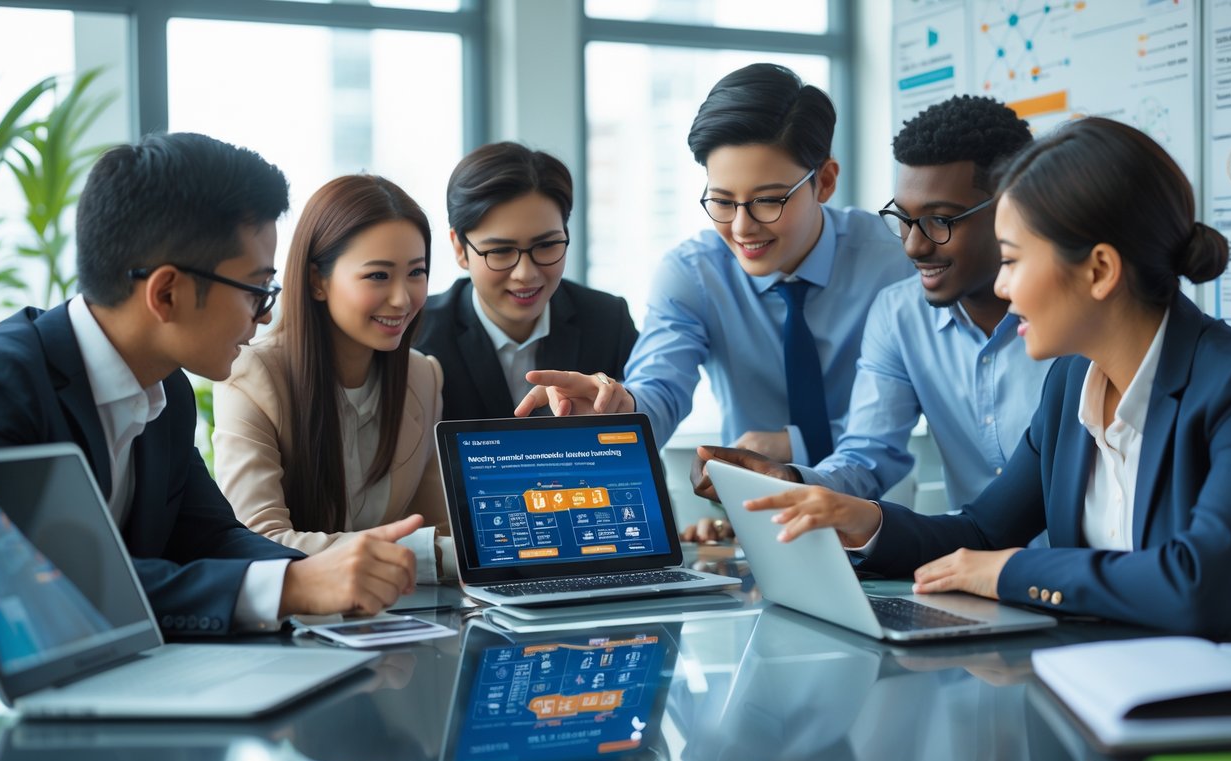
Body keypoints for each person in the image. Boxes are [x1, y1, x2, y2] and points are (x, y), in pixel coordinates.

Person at [740, 117, 1231, 634]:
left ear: (1099, 270)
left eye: (1013, 260)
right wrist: (866, 521)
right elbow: (986, 532)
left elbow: (1200, 585)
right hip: (1101, 679)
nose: (1001, 285)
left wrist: (1011, 572)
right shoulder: (1071, 382)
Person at [0, 133, 420, 634]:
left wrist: (320, 572)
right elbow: (44, 581)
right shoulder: (3, 385)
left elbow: (211, 536)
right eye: (257, 290)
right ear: (166, 293)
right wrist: (293, 589)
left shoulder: (167, 391)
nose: (266, 315)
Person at [686, 95, 1048, 542]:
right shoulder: (900, 313)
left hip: (1083, 575)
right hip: (973, 565)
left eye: (939, 220)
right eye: (904, 218)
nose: (914, 246)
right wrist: (792, 481)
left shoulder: (1070, 318)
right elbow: (868, 454)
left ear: (1012, 208)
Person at [516, 63, 913, 466]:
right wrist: (614, 411)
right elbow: (660, 389)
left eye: (768, 200)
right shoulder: (693, 273)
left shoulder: (895, 262)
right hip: (751, 504)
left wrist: (797, 446)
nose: (742, 227)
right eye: (722, 201)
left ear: (825, 182)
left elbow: (896, 417)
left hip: (885, 511)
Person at [214, 174, 454, 585]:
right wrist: (420, 553)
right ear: (316, 281)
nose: (403, 297)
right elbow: (260, 541)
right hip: (293, 624)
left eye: (416, 272)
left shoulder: (422, 376)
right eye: (378, 275)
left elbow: (439, 531)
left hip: (398, 620)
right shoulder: (253, 377)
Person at [414, 142, 637, 420]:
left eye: (546, 245)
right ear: (460, 250)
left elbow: (642, 443)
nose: (526, 273)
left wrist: (619, 404)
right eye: (500, 251)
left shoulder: (607, 322)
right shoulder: (418, 335)